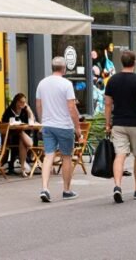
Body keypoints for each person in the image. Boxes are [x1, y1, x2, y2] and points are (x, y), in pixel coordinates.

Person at [104, 50, 136, 203]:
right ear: (135, 62)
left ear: (121, 62)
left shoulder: (112, 80)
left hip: (118, 124)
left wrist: (108, 123)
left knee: (120, 155)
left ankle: (118, 186)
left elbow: (107, 104)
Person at [34, 56, 82, 203]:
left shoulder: (42, 84)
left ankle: (44, 188)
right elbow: (71, 107)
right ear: (64, 68)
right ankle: (66, 190)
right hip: (64, 126)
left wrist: (43, 121)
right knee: (66, 156)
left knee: (49, 156)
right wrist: (78, 128)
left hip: (48, 125)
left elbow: (38, 105)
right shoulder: (66, 84)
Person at [1, 93, 36, 175]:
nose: (23, 104)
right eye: (21, 102)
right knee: (23, 139)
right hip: (11, 136)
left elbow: (32, 121)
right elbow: (4, 123)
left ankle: (23, 166)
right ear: (16, 102)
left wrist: (29, 110)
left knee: (21, 139)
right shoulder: (9, 111)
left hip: (23, 134)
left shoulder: (24, 110)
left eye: (24, 102)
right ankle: (23, 166)